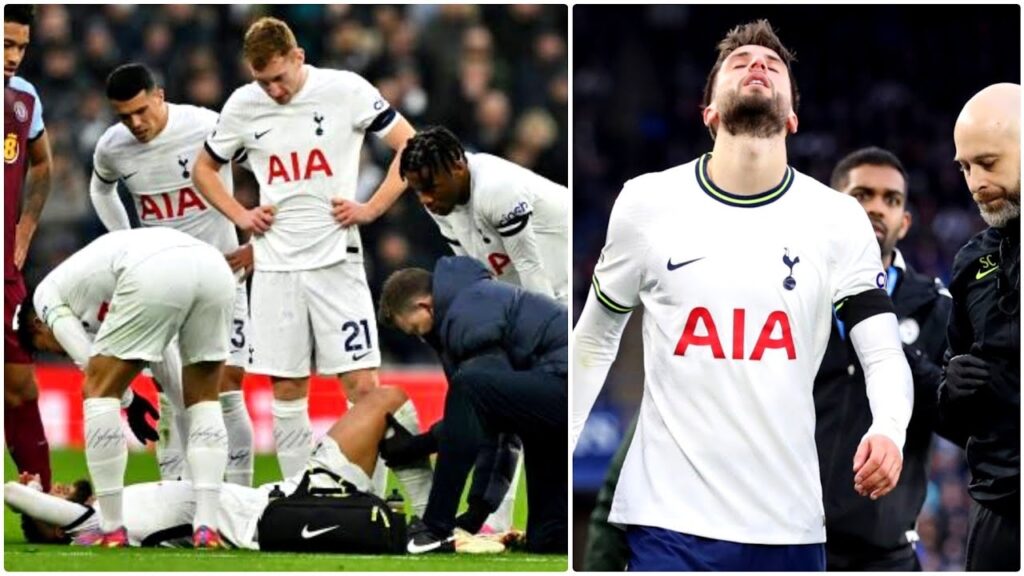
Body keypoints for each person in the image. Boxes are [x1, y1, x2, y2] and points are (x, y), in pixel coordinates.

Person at [571, 20, 913, 571]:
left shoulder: (836, 218)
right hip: (668, 519)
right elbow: (594, 339)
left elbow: (880, 349)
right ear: (708, 110)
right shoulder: (646, 202)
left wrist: (888, 428)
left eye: (773, 66)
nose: (758, 66)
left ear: (793, 117)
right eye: (739, 62)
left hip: (788, 522)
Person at [191, 17, 417, 492]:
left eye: (279, 77)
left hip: (338, 261)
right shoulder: (242, 105)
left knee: (361, 387)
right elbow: (205, 169)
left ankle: (368, 497)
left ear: (298, 58)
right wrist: (241, 214)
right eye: (262, 81)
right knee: (288, 389)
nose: (272, 89)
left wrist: (372, 207)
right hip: (274, 267)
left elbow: (410, 146)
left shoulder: (346, 90)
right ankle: (295, 497)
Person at [3, 386, 497, 552]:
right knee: (385, 404)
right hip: (280, 512)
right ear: (53, 526)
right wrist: (26, 488)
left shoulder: (110, 506)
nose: (56, 486)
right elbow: (12, 492)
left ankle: (432, 519)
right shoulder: (91, 528)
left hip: (284, 493)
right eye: (51, 501)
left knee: (386, 400)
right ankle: (435, 526)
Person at [89, 62, 255, 486]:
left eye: (142, 110)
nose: (136, 123)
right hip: (162, 285)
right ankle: (175, 492)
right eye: (124, 116)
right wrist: (126, 243)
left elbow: (265, 163)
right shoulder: (113, 147)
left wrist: (259, 244)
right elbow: (100, 187)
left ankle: (237, 495)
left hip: (222, 275)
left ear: (159, 95)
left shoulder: (204, 125)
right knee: (170, 392)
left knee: (225, 385)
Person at [28, 227, 236, 548]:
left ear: (37, 325)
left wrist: (125, 399)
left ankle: (111, 528)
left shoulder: (45, 295)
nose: (58, 353)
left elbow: (87, 361)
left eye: (47, 347)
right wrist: (140, 399)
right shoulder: (99, 292)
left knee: (97, 392)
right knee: (201, 400)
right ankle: (207, 525)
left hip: (157, 267)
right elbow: (168, 369)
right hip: (213, 267)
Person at [814, 147, 952, 570]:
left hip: (884, 554)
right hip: (790, 540)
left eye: (891, 200)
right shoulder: (793, 292)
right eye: (861, 195)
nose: (876, 207)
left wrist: (906, 359)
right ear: (831, 209)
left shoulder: (936, 307)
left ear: (905, 222)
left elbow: (961, 418)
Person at [378, 255, 567, 554]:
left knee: (469, 387)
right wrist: (476, 513)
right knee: (549, 541)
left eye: (415, 329)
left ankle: (434, 528)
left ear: (425, 305)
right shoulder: (471, 302)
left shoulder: (466, 313)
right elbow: (500, 420)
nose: (419, 337)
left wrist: (416, 446)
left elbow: (482, 410)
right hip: (557, 396)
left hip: (565, 386)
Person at [942, 82, 1020, 571]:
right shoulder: (971, 262)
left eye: (988, 163)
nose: (974, 182)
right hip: (997, 511)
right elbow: (952, 420)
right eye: (965, 167)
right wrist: (952, 389)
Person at [400, 126, 569, 304]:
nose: (425, 199)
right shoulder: (440, 202)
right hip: (529, 287)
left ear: (458, 167)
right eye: (418, 191)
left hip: (566, 279)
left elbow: (529, 266)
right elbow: (477, 272)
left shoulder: (496, 187)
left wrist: (547, 326)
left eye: (431, 187)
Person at [4, 4, 54, 493]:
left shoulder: (23, 98)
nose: (14, 56)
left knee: (21, 388)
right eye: (5, 44)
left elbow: (42, 166)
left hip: (5, 274)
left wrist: (24, 228)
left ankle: (41, 506)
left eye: (21, 46)